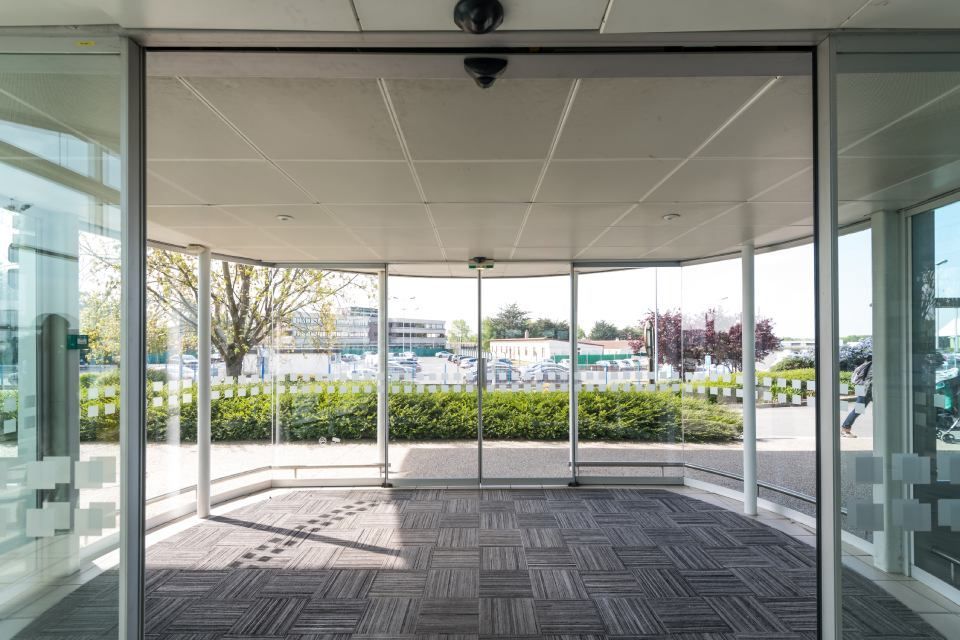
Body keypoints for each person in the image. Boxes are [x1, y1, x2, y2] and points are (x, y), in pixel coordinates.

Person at [841, 357, 872, 438]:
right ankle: (845, 428)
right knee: (858, 409)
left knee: (858, 409)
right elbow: (871, 380)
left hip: (862, 388)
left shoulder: (869, 364)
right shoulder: (874, 366)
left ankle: (845, 428)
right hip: (865, 390)